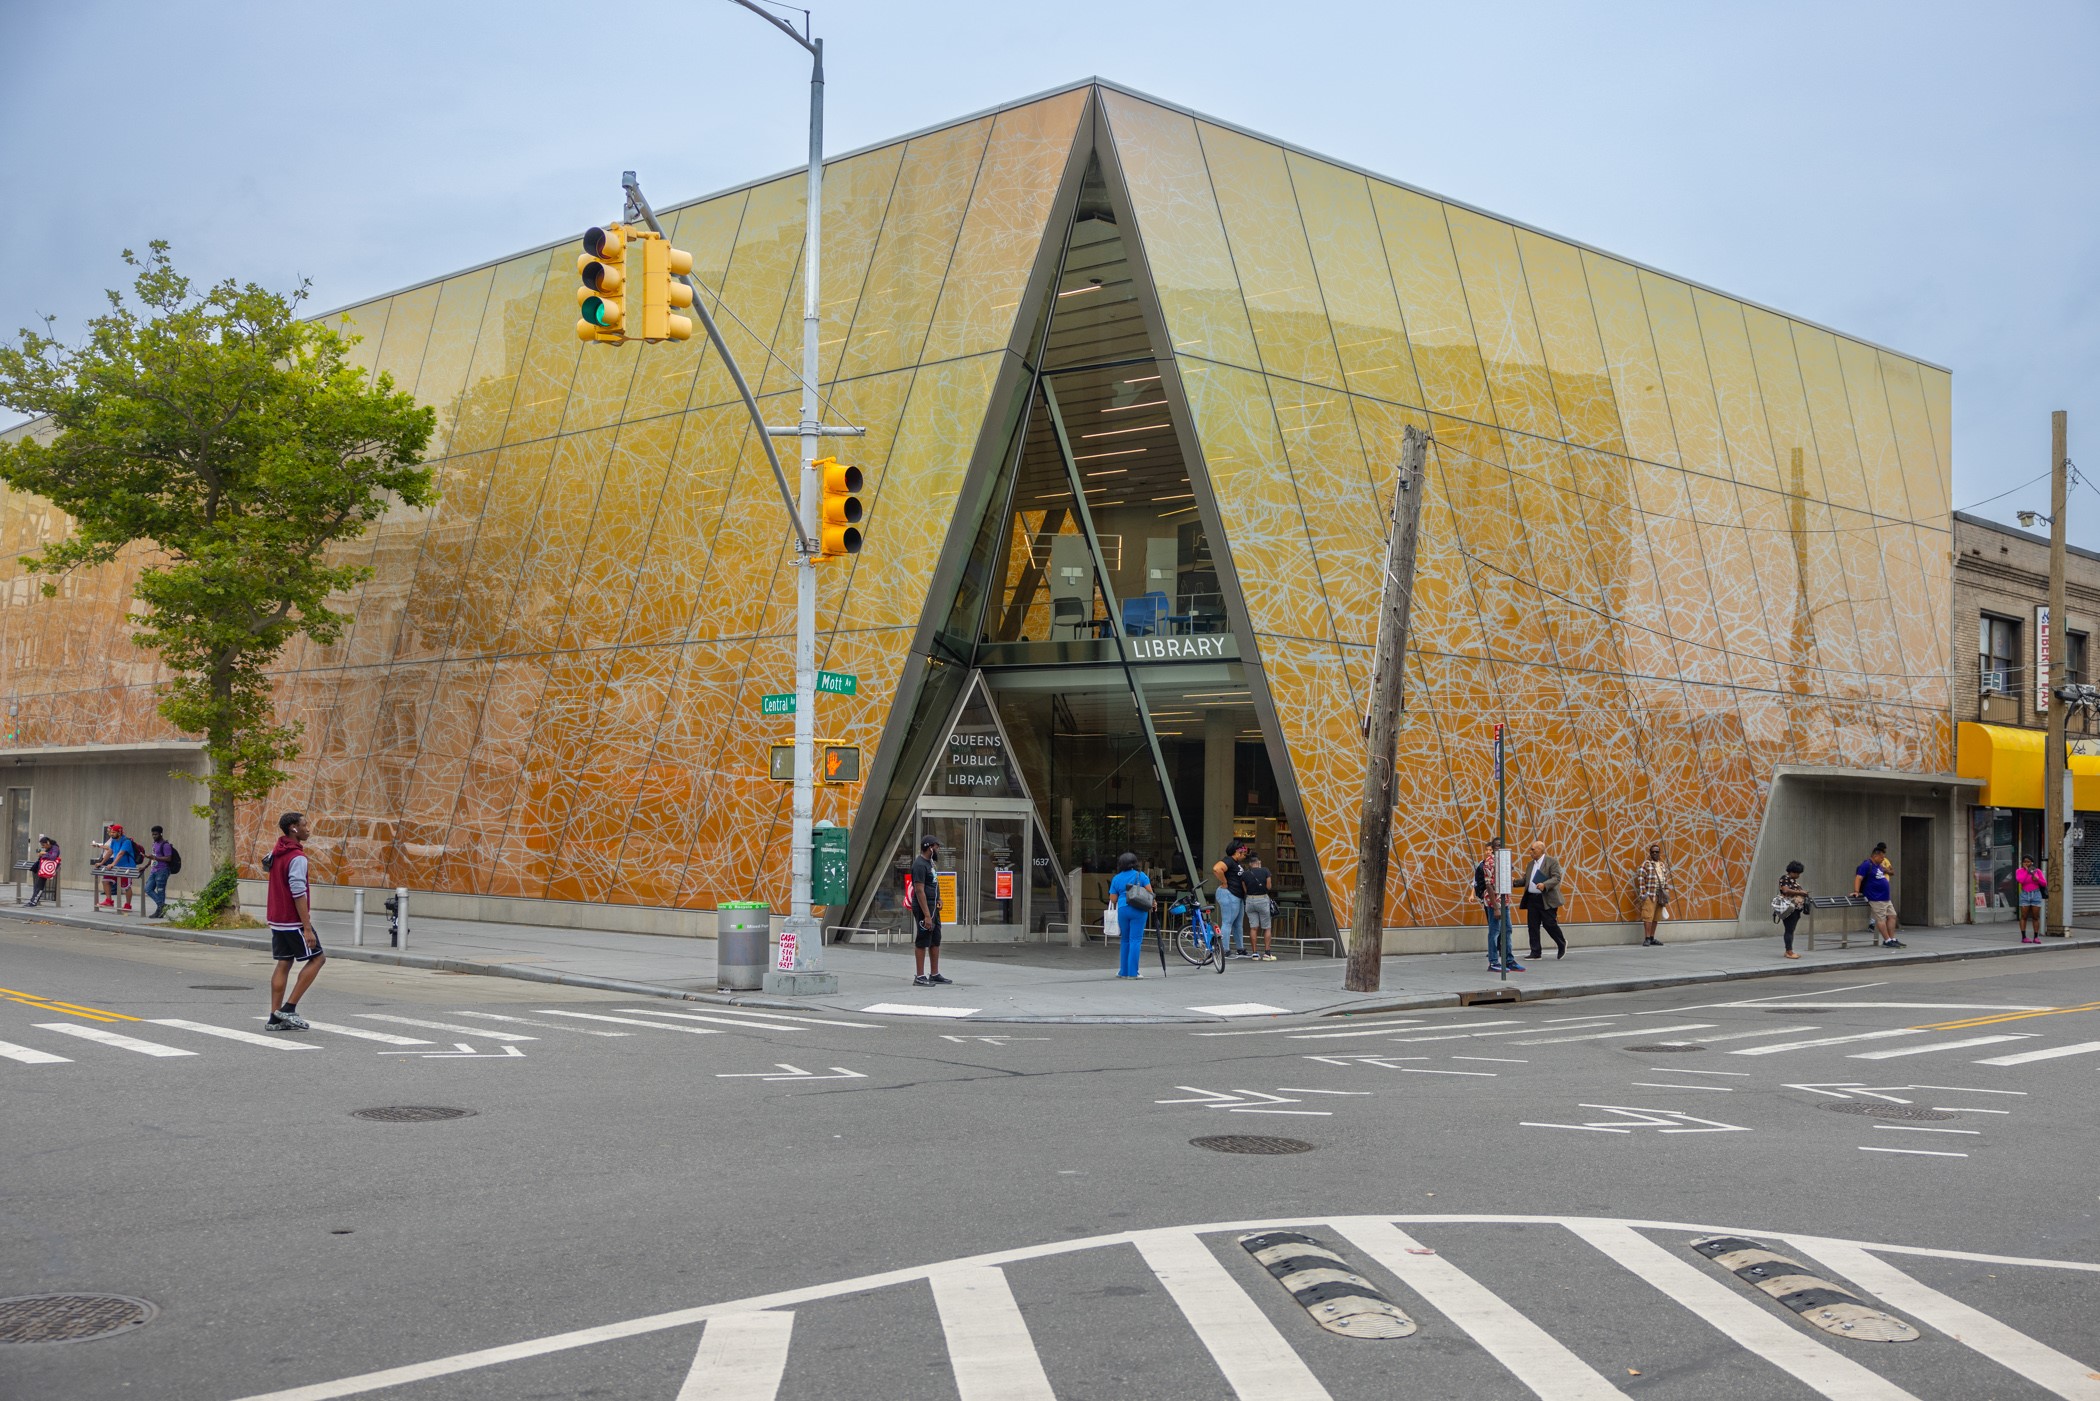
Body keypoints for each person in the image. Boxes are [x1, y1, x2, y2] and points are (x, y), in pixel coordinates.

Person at [264, 812, 326, 1031]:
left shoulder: (276, 851)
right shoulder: (297, 857)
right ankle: (289, 1008)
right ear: (293, 828)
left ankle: (274, 1018)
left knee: (284, 962)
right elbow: (298, 892)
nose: (308, 829)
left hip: (277, 919)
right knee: (318, 959)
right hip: (292, 921)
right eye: (304, 825)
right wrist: (306, 927)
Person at [908, 836, 950, 988]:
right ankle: (919, 976)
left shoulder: (930, 863)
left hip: (933, 906)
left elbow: (934, 883)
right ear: (930, 847)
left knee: (935, 939)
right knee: (923, 939)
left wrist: (938, 898)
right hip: (923, 907)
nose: (938, 849)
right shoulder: (919, 865)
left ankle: (934, 973)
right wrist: (926, 915)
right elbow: (919, 891)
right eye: (936, 847)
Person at [1473, 841, 1521, 971]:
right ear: (1493, 848)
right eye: (1497, 846)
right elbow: (1488, 885)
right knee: (1494, 932)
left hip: (1505, 900)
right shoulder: (1489, 862)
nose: (1499, 848)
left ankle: (1508, 960)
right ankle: (1493, 962)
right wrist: (1495, 907)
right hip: (1494, 902)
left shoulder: (1505, 860)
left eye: (1501, 845)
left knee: (1507, 930)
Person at [1521, 838, 1566, 960]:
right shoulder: (1530, 864)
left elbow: (1556, 878)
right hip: (1532, 899)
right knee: (1532, 926)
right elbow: (1526, 880)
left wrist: (1544, 885)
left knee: (1549, 924)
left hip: (1546, 899)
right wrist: (1514, 882)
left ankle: (1561, 943)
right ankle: (1535, 952)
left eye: (1532, 849)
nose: (1530, 852)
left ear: (1540, 849)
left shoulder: (1551, 862)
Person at [1109, 852, 1152, 978]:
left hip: (1123, 909)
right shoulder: (1141, 876)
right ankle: (1133, 972)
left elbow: (1113, 899)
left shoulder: (1116, 878)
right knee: (1135, 940)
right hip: (1138, 910)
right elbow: (1150, 892)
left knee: (1125, 940)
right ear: (1134, 863)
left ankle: (1123, 971)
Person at [1854, 841, 1904, 948]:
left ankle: (1892, 938)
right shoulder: (1866, 865)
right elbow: (1859, 877)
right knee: (1881, 919)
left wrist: (1886, 868)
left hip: (1886, 898)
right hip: (1876, 898)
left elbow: (1890, 872)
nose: (1883, 860)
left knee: (1892, 916)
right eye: (1881, 857)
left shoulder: (1879, 866)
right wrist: (1856, 891)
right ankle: (1887, 940)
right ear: (1875, 856)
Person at [1213, 839, 1251, 959]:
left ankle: (1240, 949)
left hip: (1236, 895)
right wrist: (1224, 882)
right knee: (1228, 922)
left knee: (1237, 924)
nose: (1244, 856)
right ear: (1237, 852)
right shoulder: (1228, 861)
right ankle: (1224, 949)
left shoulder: (1235, 863)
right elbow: (1216, 869)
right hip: (1229, 894)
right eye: (1243, 853)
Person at [1242, 853, 1277, 961]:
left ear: (1250, 864)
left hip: (1250, 901)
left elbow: (1245, 890)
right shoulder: (1265, 871)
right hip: (1262, 899)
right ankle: (1267, 953)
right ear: (1258, 863)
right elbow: (1269, 886)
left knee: (1253, 927)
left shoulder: (1245, 874)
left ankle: (1255, 953)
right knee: (1266, 927)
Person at [1633, 843, 1670, 946]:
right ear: (1650, 853)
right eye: (1653, 852)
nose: (1655, 853)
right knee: (1647, 917)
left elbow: (1665, 879)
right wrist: (1644, 893)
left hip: (1660, 895)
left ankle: (1652, 937)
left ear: (1659, 853)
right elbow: (1641, 879)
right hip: (1650, 894)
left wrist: (1666, 892)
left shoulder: (1662, 865)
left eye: (1657, 852)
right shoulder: (1646, 864)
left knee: (1656, 917)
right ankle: (1647, 938)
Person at [101, 823, 140, 912]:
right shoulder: (114, 841)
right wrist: (101, 862)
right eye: (111, 832)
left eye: (113, 832)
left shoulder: (126, 841)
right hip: (117, 866)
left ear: (119, 832)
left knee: (126, 886)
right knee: (106, 880)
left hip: (127, 867)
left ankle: (128, 904)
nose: (111, 834)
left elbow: (121, 853)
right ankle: (109, 900)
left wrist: (113, 864)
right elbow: (110, 852)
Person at [1777, 860, 1809, 959]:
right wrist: (1800, 893)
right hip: (1789, 909)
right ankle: (1789, 951)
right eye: (1797, 873)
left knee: (1791, 929)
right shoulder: (1785, 878)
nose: (1798, 875)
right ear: (1791, 871)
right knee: (1789, 930)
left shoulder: (1792, 880)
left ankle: (1789, 950)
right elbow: (1785, 890)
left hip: (1795, 909)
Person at [143, 825, 175, 920]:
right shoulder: (154, 844)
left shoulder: (165, 845)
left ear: (161, 834)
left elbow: (168, 858)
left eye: (156, 834)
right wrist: (145, 866)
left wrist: (155, 858)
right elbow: (153, 856)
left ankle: (159, 911)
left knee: (160, 892)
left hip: (162, 871)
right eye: (152, 834)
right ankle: (162, 905)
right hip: (153, 870)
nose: (154, 836)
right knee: (147, 889)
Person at [2014, 856, 2047, 943]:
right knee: (2024, 916)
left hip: (2036, 894)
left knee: (2035, 916)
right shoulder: (2019, 871)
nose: (2027, 863)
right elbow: (2020, 880)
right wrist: (2026, 871)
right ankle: (2024, 937)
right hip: (2025, 894)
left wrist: (2037, 879)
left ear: (2032, 862)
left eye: (2029, 862)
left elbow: (2044, 883)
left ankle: (2036, 937)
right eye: (2025, 862)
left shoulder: (2037, 871)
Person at [27, 835, 58, 906]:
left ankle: (34, 901)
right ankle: (32, 900)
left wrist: (44, 853)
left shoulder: (55, 848)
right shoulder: (50, 848)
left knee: (40, 886)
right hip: (44, 868)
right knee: (38, 885)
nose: (43, 847)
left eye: (43, 845)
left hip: (47, 869)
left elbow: (53, 857)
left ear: (48, 843)